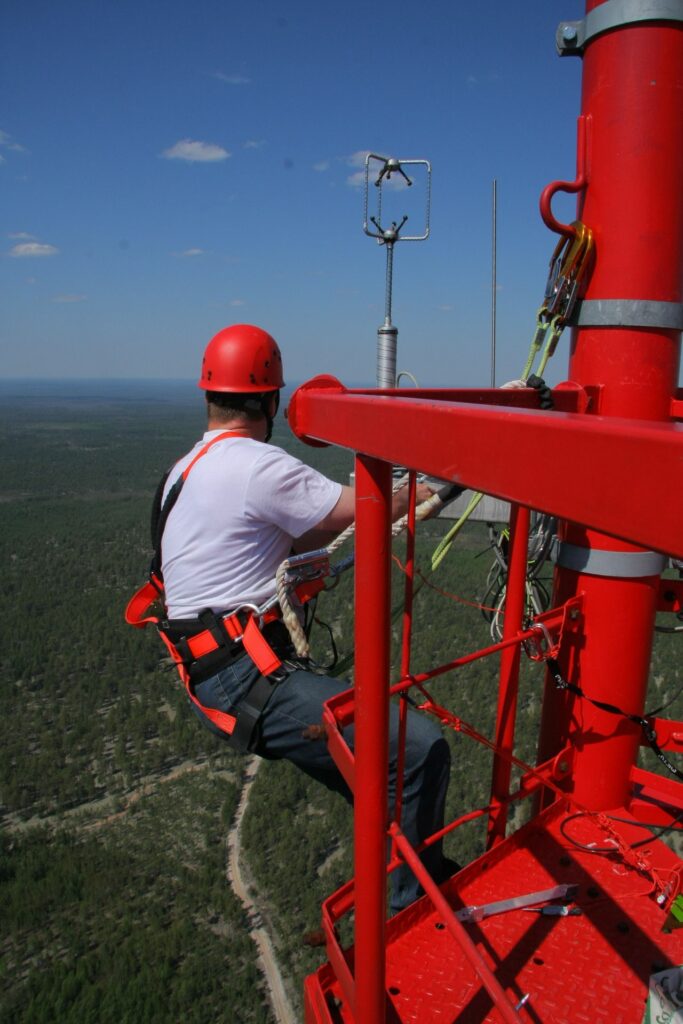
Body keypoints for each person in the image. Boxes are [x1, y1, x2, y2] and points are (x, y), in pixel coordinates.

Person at [154, 323, 451, 915]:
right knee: (418, 750)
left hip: (211, 672)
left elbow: (310, 526)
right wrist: (445, 475)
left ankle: (411, 872)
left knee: (378, 776)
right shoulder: (260, 467)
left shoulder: (184, 469)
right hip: (246, 678)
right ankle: (410, 912)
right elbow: (370, 507)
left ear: (210, 396)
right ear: (270, 399)